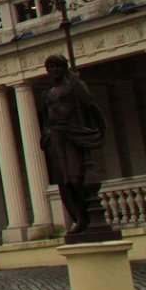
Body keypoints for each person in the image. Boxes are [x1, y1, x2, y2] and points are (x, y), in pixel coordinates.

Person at [38, 54, 109, 236]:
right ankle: (80, 218)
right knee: (65, 183)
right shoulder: (47, 94)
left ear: (64, 67)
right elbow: (47, 119)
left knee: (76, 178)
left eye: (57, 66)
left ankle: (90, 216)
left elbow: (91, 106)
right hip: (56, 138)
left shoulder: (75, 87)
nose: (53, 70)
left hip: (73, 134)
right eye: (50, 67)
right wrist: (47, 134)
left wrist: (99, 129)